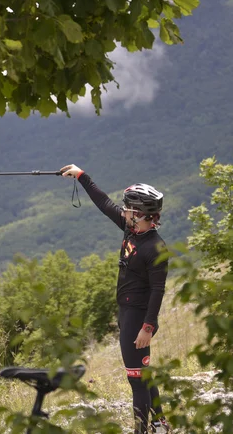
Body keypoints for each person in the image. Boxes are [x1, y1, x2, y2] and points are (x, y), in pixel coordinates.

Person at [61, 164, 170, 434]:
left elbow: (158, 290)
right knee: (143, 373)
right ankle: (160, 425)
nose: (126, 212)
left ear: (142, 214)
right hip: (127, 312)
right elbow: (104, 203)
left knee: (136, 380)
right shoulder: (131, 230)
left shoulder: (155, 248)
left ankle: (141, 430)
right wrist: (81, 176)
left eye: (130, 209)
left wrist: (147, 327)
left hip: (138, 318)